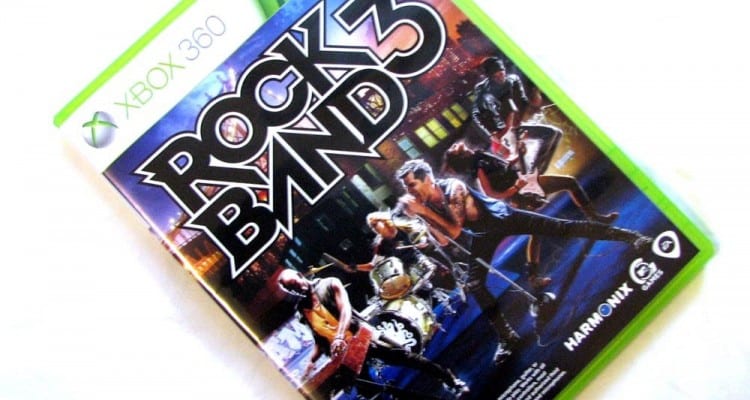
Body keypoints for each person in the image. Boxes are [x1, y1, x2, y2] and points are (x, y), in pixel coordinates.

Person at [394, 159, 652, 365]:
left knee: (563, 227)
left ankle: (632, 237)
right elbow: (445, 241)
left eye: (412, 185)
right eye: (407, 188)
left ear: (427, 179)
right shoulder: (428, 206)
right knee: (475, 285)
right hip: (482, 235)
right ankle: (507, 337)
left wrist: (423, 212)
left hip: (502, 218)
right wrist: (423, 219)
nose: (409, 192)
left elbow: (455, 229)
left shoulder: (453, 188)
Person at [444, 141, 619, 287]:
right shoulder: (479, 167)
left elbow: (505, 166)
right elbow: (491, 194)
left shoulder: (481, 156)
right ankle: (533, 277)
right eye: (456, 148)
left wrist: (518, 155)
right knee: (536, 231)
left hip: (526, 182)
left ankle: (595, 217)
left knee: (569, 183)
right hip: (519, 193)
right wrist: (516, 188)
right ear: (462, 156)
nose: (458, 144)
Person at [276, 269, 469, 397]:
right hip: (345, 355)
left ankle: (451, 381)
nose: (297, 289)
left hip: (363, 337)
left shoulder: (329, 283)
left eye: (295, 283)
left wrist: (340, 336)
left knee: (408, 359)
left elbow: (346, 310)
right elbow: (319, 338)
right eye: (291, 289)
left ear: (300, 275)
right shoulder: (302, 309)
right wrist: (311, 362)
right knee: (367, 390)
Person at [471, 57, 531, 157]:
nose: (500, 78)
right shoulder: (482, 90)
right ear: (490, 77)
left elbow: (522, 100)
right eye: (496, 76)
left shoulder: (513, 80)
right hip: (499, 126)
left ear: (504, 71)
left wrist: (523, 117)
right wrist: (491, 133)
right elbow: (476, 114)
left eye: (501, 73)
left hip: (515, 121)